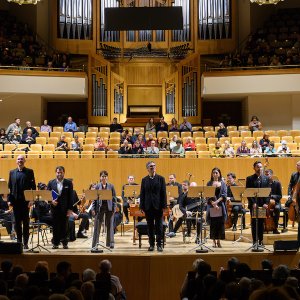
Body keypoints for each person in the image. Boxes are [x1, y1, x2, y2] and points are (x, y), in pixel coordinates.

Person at [8, 155, 36, 249]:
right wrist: (9, 200)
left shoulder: (29, 172)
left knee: (26, 223)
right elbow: (10, 187)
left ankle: (25, 243)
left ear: (25, 161)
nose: (20, 161)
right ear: (16, 161)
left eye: (22, 159)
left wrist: (32, 200)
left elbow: (33, 187)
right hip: (16, 202)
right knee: (17, 223)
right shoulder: (12, 172)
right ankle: (19, 242)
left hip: (26, 202)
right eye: (19, 159)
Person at [140, 161, 167, 252]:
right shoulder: (144, 180)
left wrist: (164, 206)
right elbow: (142, 193)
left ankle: (159, 244)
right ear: (147, 169)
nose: (153, 167)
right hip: (148, 207)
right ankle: (151, 244)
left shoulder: (161, 179)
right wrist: (141, 206)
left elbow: (163, 193)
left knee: (159, 226)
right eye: (151, 166)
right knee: (150, 226)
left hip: (158, 206)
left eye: (154, 166)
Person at [47, 166, 73, 249]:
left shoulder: (68, 183)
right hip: (54, 209)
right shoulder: (51, 183)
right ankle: (56, 243)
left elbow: (71, 197)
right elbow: (47, 195)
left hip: (65, 209)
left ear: (64, 173)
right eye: (58, 172)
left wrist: (70, 209)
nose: (59, 174)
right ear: (56, 173)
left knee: (64, 226)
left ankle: (65, 243)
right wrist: (51, 201)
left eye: (61, 172)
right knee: (55, 227)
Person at [91, 170, 117, 249]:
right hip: (99, 208)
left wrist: (114, 207)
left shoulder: (111, 186)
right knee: (97, 227)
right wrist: (93, 208)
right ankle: (95, 244)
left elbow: (114, 198)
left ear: (107, 177)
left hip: (109, 208)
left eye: (105, 176)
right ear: (100, 177)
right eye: (102, 176)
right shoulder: (97, 186)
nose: (104, 178)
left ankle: (110, 243)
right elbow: (94, 199)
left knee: (110, 226)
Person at [246, 161, 269, 247]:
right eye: (258, 167)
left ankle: (261, 240)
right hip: (254, 205)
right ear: (254, 168)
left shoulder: (266, 178)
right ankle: (255, 241)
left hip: (262, 205)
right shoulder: (250, 178)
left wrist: (266, 203)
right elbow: (248, 192)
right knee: (254, 223)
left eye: (261, 167)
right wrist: (253, 203)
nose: (259, 168)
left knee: (261, 223)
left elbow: (268, 192)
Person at [206, 167, 227, 248]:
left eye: (216, 172)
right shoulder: (209, 183)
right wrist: (213, 204)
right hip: (212, 206)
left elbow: (224, 195)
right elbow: (208, 195)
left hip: (220, 206)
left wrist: (217, 202)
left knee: (220, 224)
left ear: (219, 174)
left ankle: (219, 241)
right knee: (213, 224)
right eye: (213, 172)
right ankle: (214, 241)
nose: (215, 174)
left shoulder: (223, 183)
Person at [265, 169, 282, 234]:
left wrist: (271, 196)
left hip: (276, 202)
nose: (266, 176)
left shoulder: (277, 183)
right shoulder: (263, 184)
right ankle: (264, 227)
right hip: (266, 202)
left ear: (271, 175)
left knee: (277, 208)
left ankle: (275, 228)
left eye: (267, 174)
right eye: (265, 175)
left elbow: (280, 196)